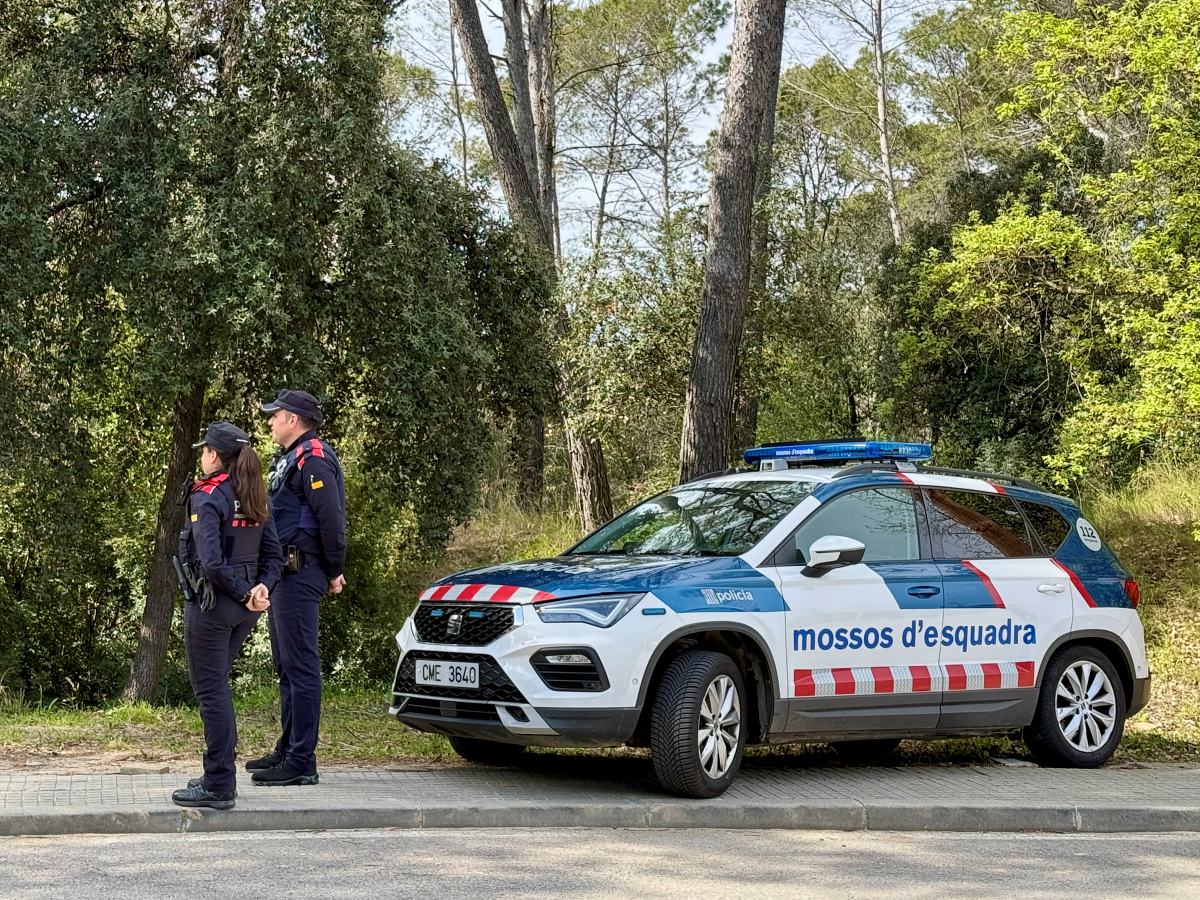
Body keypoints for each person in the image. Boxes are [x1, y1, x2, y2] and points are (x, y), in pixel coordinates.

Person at [172, 421, 283, 811]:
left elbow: (211, 563)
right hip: (245, 609)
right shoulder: (252, 493)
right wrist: (259, 590)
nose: (201, 455)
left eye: (204, 450)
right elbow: (274, 556)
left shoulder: (208, 496)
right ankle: (217, 775)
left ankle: (219, 783)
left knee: (211, 693)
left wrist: (243, 592)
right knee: (218, 687)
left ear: (215, 456)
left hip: (212, 607)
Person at [247, 389, 346, 787]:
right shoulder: (290, 459)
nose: (269, 421)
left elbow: (331, 520)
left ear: (294, 419)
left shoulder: (314, 458)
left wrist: (333, 569)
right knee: (286, 665)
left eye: (275, 415)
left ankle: (302, 760)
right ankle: (288, 748)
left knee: (301, 666)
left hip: (302, 571)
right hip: (284, 574)